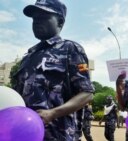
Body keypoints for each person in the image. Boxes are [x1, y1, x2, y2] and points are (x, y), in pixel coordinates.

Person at [12, 0, 95, 140]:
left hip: (58, 136)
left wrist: (52, 113)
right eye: (34, 18)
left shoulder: (70, 49)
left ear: (60, 22)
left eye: (43, 17)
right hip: (26, 135)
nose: (37, 22)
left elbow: (87, 94)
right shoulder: (27, 57)